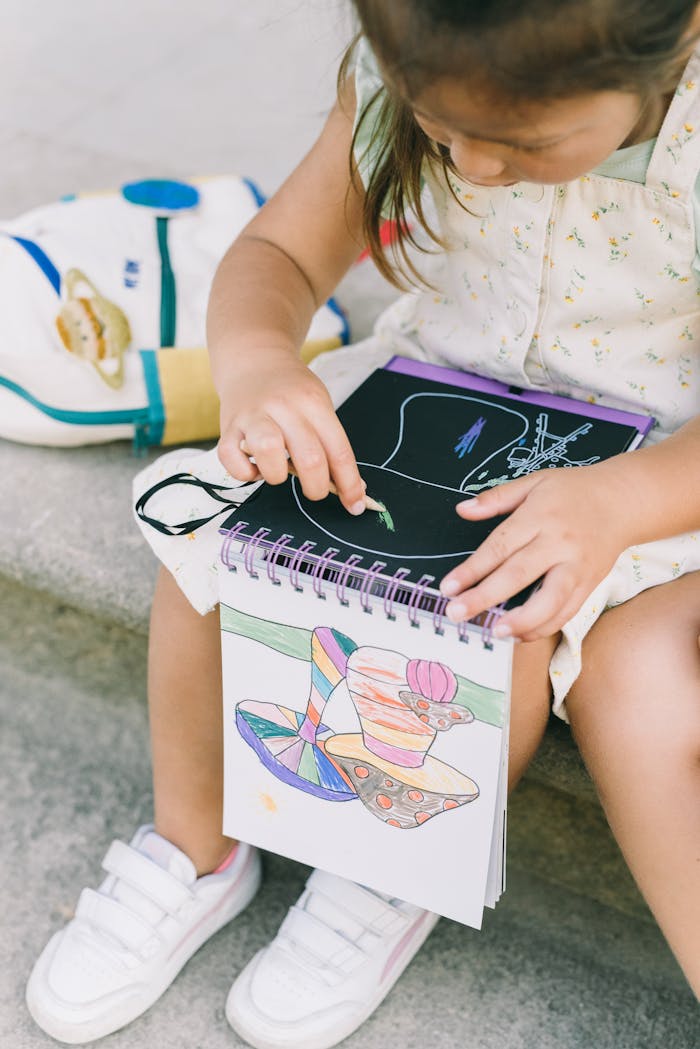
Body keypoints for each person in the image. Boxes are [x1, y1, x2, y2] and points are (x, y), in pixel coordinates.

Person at [26, 1, 700, 1046]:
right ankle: (190, 846)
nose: (471, 168)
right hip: (428, 407)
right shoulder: (407, 71)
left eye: (520, 143)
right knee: (214, 549)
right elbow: (280, 256)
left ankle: (389, 871)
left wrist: (619, 502)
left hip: (649, 464)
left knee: (497, 617)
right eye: (441, 131)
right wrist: (256, 368)